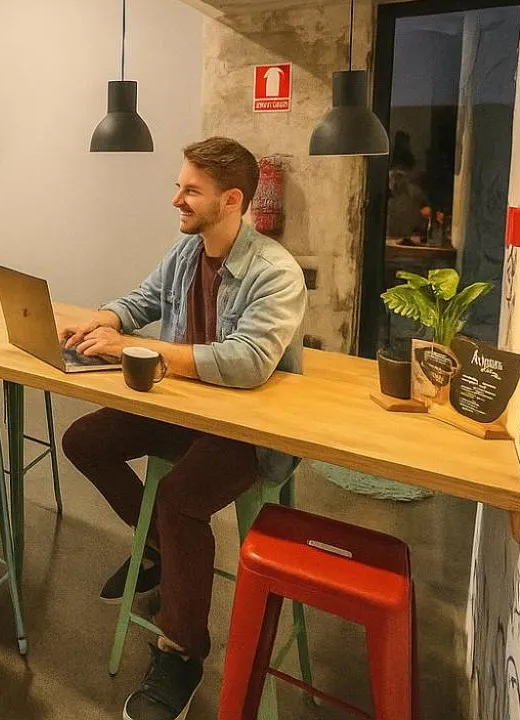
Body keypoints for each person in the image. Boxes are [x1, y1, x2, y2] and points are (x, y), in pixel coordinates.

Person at [60, 137, 307, 720]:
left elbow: (247, 363)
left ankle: (182, 652)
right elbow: (144, 298)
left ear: (231, 201)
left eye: (190, 189)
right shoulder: (187, 252)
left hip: (247, 432)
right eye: (180, 186)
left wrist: (140, 346)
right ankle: (157, 554)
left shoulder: (275, 272)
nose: (176, 199)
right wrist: (107, 318)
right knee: (84, 441)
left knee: (177, 499)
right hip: (184, 413)